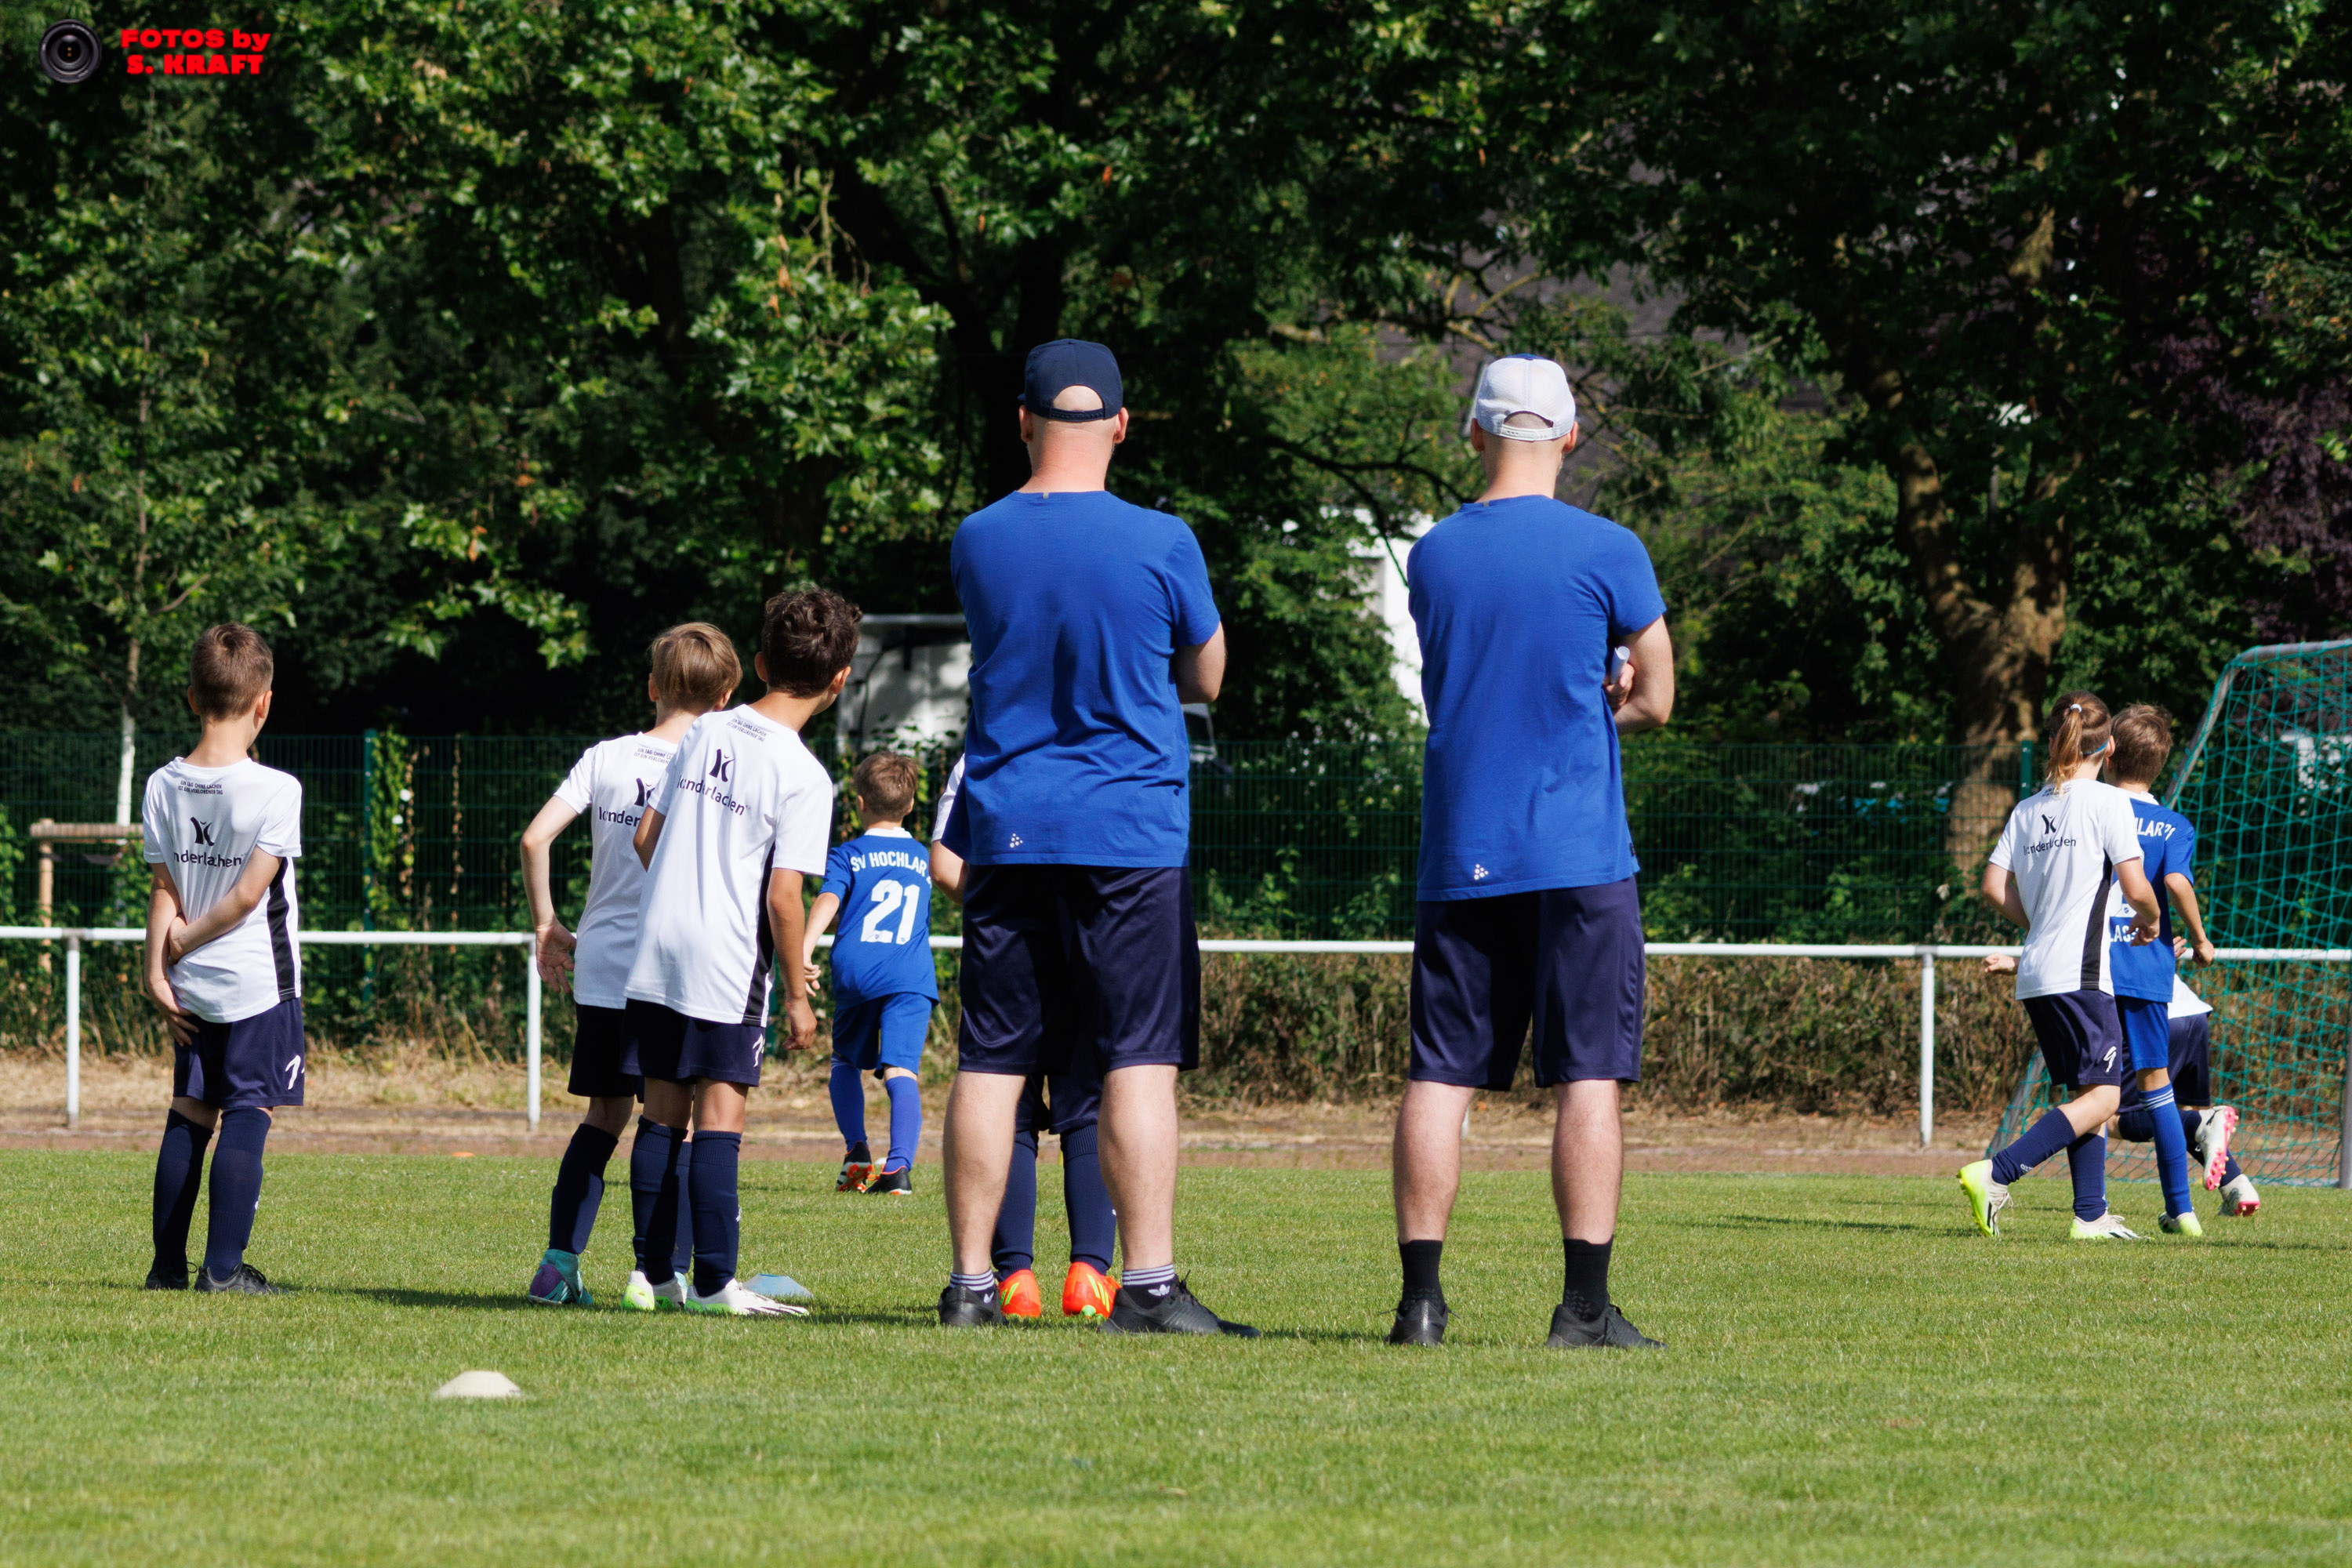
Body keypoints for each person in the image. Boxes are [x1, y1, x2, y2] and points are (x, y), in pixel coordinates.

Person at [935, 338, 1251, 1335]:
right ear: (1120, 423)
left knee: (991, 1058)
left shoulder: (978, 537)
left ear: (1023, 421)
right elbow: (1208, 677)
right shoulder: (1164, 539)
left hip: (1010, 827)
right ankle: (1147, 1285)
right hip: (1129, 832)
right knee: (1136, 1058)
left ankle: (971, 1286)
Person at [1387, 354, 1675, 1352]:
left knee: (1440, 1075)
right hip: (1581, 854)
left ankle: (1421, 1305)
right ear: (1570, 436)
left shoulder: (1434, 555)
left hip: (1463, 848)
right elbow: (1657, 698)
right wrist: (1606, 696)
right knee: (1587, 1074)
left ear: (1474, 432)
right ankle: (1583, 1309)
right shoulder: (1611, 549)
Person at [622, 589, 858, 1317]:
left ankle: (655, 1279)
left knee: (662, 1116)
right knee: (720, 1121)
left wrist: (682, 886)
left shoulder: (705, 728)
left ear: (758, 663)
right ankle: (717, 1285)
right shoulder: (806, 776)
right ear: (840, 679)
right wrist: (798, 996)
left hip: (657, 947)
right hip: (725, 963)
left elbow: (645, 837)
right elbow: (785, 898)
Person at [518, 622, 740, 1306]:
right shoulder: (716, 768)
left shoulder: (606, 757)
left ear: (651, 687)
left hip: (603, 967)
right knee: (675, 1123)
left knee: (603, 1118)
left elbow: (534, 838)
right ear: (725, 698)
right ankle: (658, 1274)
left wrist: (547, 924)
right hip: (673, 970)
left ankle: (558, 1266)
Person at [1960, 692, 2165, 1240]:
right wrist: (2150, 920)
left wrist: (2040, 924)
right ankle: (1996, 1173)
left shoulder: (2028, 809)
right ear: (2110, 746)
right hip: (2082, 974)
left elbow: (1992, 886)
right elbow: (2136, 887)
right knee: (2106, 1098)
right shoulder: (2108, 803)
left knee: (2086, 1095)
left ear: (2055, 740)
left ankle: (2090, 1214)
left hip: (2037, 974)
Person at [140, 623, 305, 1296]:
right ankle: (223, 1271)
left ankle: (166, 1270)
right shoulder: (276, 789)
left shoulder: (162, 783)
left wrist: (157, 968)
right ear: (263, 702)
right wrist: (179, 945)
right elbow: (245, 897)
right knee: (249, 1110)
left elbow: (165, 887)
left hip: (191, 988)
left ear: (192, 698)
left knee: (189, 1111)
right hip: (258, 983)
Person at [930, 755, 1120, 1321]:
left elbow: (944, 865)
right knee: (1088, 1106)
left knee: (1004, 1104)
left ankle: (1015, 1280)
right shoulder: (1098, 747)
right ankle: (1089, 1276)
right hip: (1088, 947)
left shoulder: (980, 755)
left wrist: (1000, 907)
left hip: (1005, 945)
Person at [1987, 956, 2259, 1218]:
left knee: (2108, 1114)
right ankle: (2236, 1186)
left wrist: (2020, 964)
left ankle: (2075, 1203)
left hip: (2154, 1017)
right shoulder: (2142, 927)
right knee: (2180, 1114)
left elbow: (2079, 952)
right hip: (2192, 1012)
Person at [2100, 703, 2216, 1233]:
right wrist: (2200, 939)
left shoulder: (2090, 810)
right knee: (2158, 1088)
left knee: (2092, 1093)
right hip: (2147, 965)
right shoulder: (2172, 824)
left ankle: (2091, 1206)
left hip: (2092, 965)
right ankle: (2182, 1210)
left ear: (2109, 752)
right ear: (2160, 765)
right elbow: (2174, 882)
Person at [801, 751, 938, 1197]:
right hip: (910, 977)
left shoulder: (849, 854)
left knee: (845, 1061)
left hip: (858, 971)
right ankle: (898, 1169)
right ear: (911, 804)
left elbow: (829, 898)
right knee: (902, 1071)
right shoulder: (924, 857)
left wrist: (804, 947)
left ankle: (857, 1152)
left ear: (859, 803)